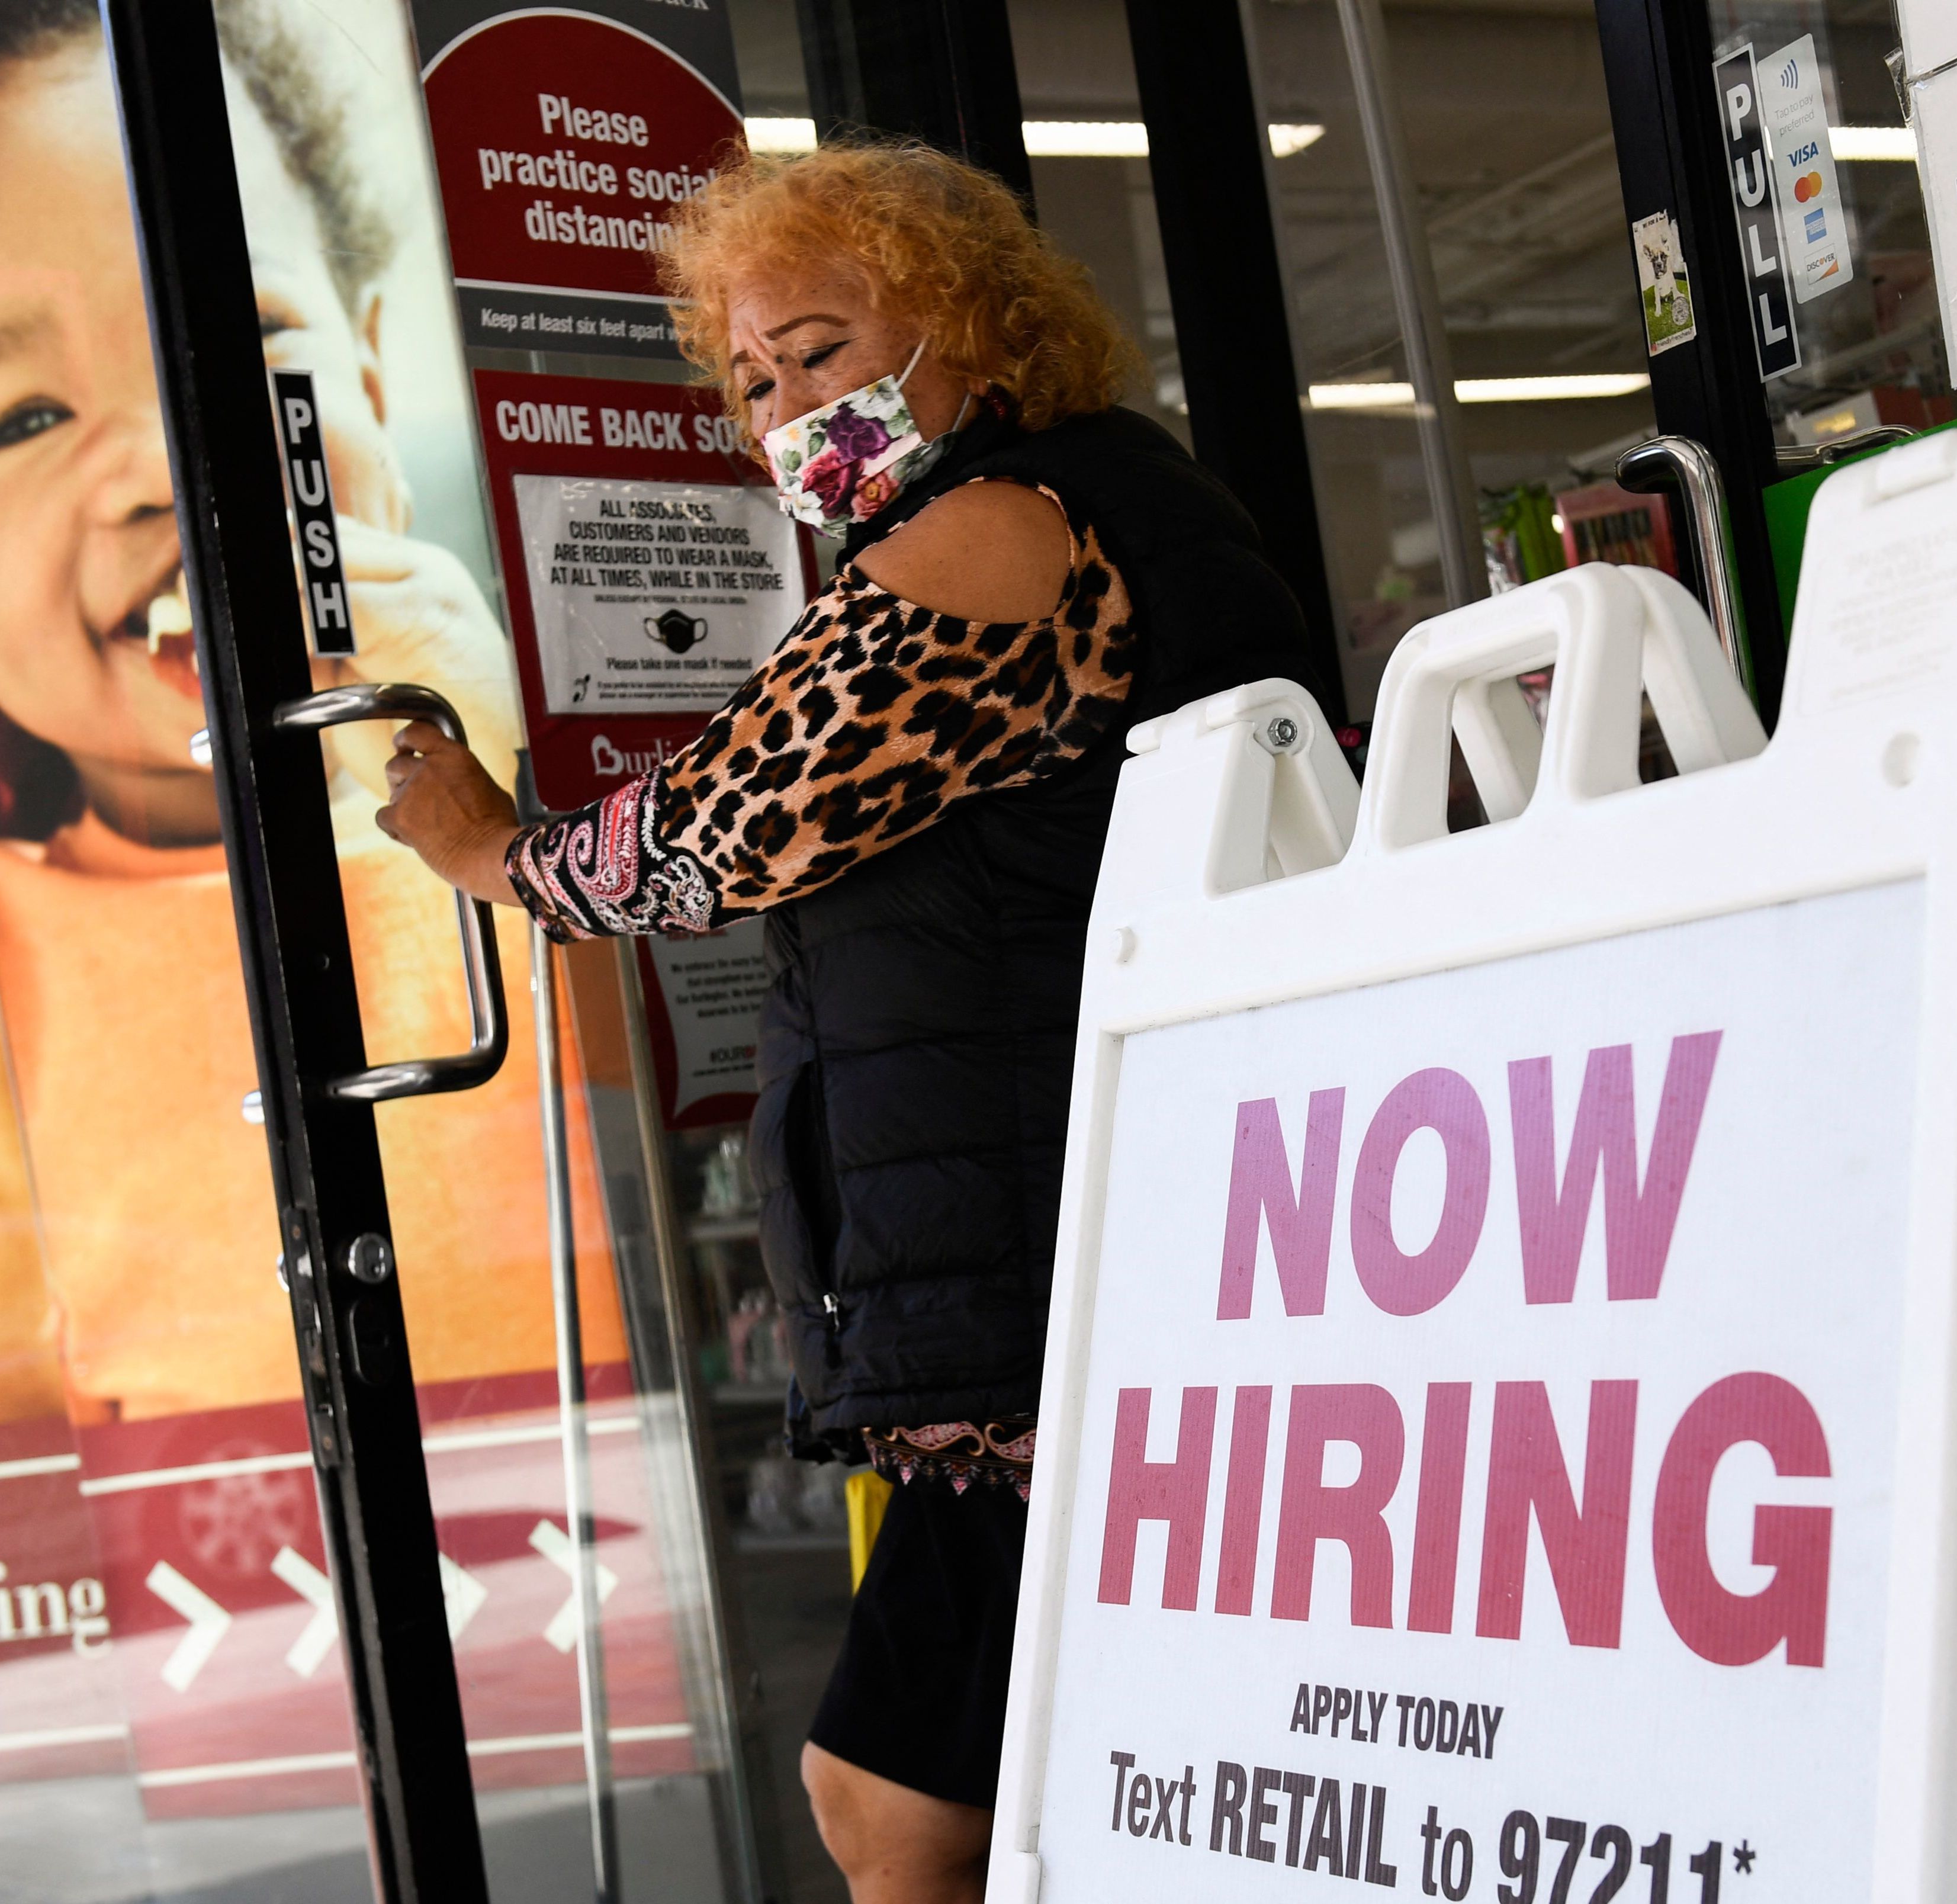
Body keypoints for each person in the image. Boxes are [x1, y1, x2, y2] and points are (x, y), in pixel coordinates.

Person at [377, 141, 1318, 1902]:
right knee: (974, 1787)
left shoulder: (999, 529)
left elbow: (737, 818)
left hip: (1070, 1258)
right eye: (751, 376)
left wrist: (495, 852)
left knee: (896, 1806)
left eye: (820, 347)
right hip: (1123, 1226)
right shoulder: (1107, 503)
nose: (789, 403)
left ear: (967, 325)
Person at [0, 0, 616, 1429]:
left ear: (365, 372)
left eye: (245, 336)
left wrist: (489, 768)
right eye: (21, 421)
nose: (172, 463)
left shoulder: (547, 783)